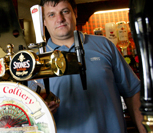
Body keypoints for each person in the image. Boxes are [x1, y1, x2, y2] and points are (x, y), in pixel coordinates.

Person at [36, 0, 147, 132]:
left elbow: (133, 92)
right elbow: (28, 115)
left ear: (75, 12)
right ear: (43, 20)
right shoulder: (35, 62)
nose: (60, 19)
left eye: (65, 11)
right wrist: (41, 112)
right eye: (51, 15)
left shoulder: (104, 45)